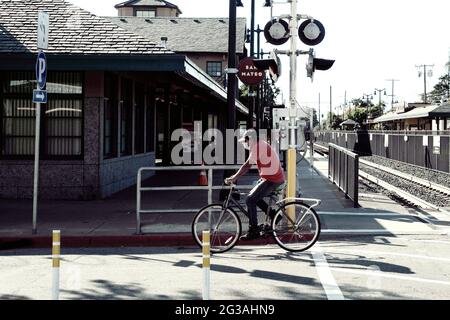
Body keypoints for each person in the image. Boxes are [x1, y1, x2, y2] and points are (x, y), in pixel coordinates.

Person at [225, 130, 286, 240]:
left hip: (273, 179)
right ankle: (273, 216)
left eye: (246, 141)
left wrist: (234, 177)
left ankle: (254, 230)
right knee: (254, 197)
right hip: (271, 177)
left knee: (250, 200)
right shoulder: (260, 145)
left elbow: (246, 165)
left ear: (251, 139)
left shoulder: (257, 147)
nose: (246, 144)